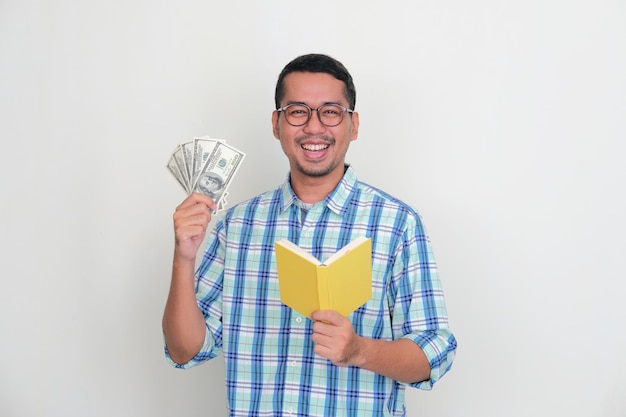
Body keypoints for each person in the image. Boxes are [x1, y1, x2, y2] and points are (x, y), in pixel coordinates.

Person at [162, 53, 457, 416]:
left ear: (354, 125)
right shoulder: (235, 227)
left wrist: (358, 350)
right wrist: (183, 257)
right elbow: (185, 350)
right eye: (298, 111)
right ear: (277, 123)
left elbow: (434, 354)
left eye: (331, 111)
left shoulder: (398, 225)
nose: (314, 127)